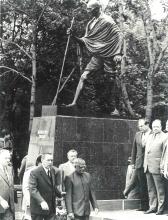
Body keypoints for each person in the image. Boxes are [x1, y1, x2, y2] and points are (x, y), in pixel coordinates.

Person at [66, 0, 123, 115]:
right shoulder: (90, 23)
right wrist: (73, 36)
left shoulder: (107, 20)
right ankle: (74, 102)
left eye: (89, 9)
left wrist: (118, 53)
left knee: (112, 80)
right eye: (87, 9)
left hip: (109, 54)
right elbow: (84, 41)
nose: (88, 11)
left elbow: (119, 35)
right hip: (97, 56)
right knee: (83, 76)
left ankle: (116, 109)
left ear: (97, 8)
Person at [29, 153, 64, 220]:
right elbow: (33, 189)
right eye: (48, 160)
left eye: (51, 160)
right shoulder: (35, 172)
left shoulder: (52, 171)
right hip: (38, 208)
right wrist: (41, 201)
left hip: (51, 207)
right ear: (42, 160)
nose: (50, 162)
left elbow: (52, 186)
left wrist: (59, 194)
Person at [144, 119, 167, 215]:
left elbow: (165, 154)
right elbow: (147, 151)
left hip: (157, 167)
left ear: (161, 127)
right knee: (151, 188)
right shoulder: (149, 136)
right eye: (153, 127)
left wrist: (162, 167)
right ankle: (152, 207)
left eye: (157, 126)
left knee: (159, 189)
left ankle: (160, 208)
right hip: (148, 166)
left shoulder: (165, 137)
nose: (155, 128)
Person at [130, 118, 151, 210]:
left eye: (141, 126)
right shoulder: (137, 134)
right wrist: (132, 162)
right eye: (139, 126)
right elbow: (134, 149)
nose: (140, 128)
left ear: (147, 124)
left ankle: (153, 206)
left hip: (150, 164)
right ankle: (144, 206)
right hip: (139, 163)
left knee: (150, 186)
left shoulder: (153, 134)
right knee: (141, 185)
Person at [22, 155, 42, 220]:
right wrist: (29, 201)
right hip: (31, 203)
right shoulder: (30, 172)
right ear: (39, 162)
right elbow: (25, 188)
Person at [0, 149, 15, 220]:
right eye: (5, 158)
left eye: (9, 158)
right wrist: (1, 200)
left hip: (9, 206)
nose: (8, 160)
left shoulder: (10, 169)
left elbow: (10, 186)